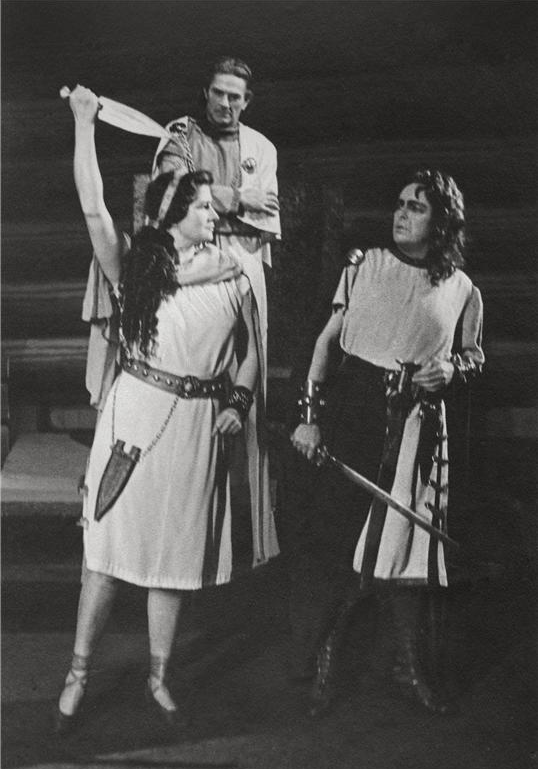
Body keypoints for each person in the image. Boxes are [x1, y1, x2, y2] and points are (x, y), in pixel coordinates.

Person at [54, 85, 278, 734]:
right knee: (107, 552)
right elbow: (92, 205)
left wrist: (238, 400)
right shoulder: (135, 268)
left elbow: (251, 353)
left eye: (212, 205)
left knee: (172, 559)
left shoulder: (236, 274)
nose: (213, 214)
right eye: (203, 206)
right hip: (135, 418)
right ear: (175, 212)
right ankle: (77, 674)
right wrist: (84, 125)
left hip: (196, 426)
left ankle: (158, 676)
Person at [284, 168, 484, 717]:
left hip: (417, 425)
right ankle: (321, 668)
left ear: (442, 222)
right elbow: (324, 346)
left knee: (404, 547)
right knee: (335, 541)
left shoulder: (463, 290)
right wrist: (309, 419)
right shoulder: (363, 265)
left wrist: (451, 370)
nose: (401, 214)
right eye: (399, 203)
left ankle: (407, 666)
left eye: (416, 207)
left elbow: (473, 355)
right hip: (354, 412)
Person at [151, 56, 281, 388]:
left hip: (242, 254)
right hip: (188, 255)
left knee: (247, 351)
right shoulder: (181, 134)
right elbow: (173, 189)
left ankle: (242, 419)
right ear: (206, 92)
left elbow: (264, 216)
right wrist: (238, 198)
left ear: (246, 101)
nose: (225, 103)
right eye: (218, 93)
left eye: (234, 96)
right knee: (194, 348)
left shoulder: (261, 148)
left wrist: (212, 201)